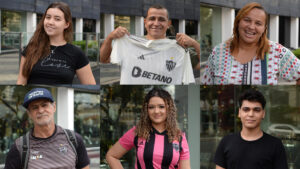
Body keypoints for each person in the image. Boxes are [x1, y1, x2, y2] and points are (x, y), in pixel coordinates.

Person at [201, 2, 300, 85]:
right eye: (247, 20)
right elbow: (206, 84)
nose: (251, 27)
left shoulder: (276, 51)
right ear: (238, 22)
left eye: (258, 23)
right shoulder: (218, 52)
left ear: (264, 29)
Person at [100, 4, 200, 84]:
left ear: (168, 24)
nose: (156, 23)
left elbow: (206, 68)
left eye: (161, 19)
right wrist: (109, 38)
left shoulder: (179, 49)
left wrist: (195, 44)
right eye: (152, 19)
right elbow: (103, 59)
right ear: (145, 22)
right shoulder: (130, 44)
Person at [4, 88, 90, 169]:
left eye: (44, 105)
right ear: (29, 114)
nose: (40, 111)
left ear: (54, 107)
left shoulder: (74, 139)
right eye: (35, 107)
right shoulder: (20, 147)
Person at [106, 88, 191, 169]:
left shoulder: (179, 137)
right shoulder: (137, 132)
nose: (156, 111)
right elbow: (111, 156)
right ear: (146, 110)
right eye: (151, 107)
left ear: (168, 109)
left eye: (161, 106)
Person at [17, 2, 96, 85]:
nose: (50, 22)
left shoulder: (77, 53)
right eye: (48, 17)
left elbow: (90, 85)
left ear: (66, 24)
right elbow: (21, 82)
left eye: (57, 19)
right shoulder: (31, 48)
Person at [214, 89, 288, 169]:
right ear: (239, 112)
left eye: (256, 110)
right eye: (246, 109)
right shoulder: (226, 142)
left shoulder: (275, 145)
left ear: (263, 114)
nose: (251, 114)